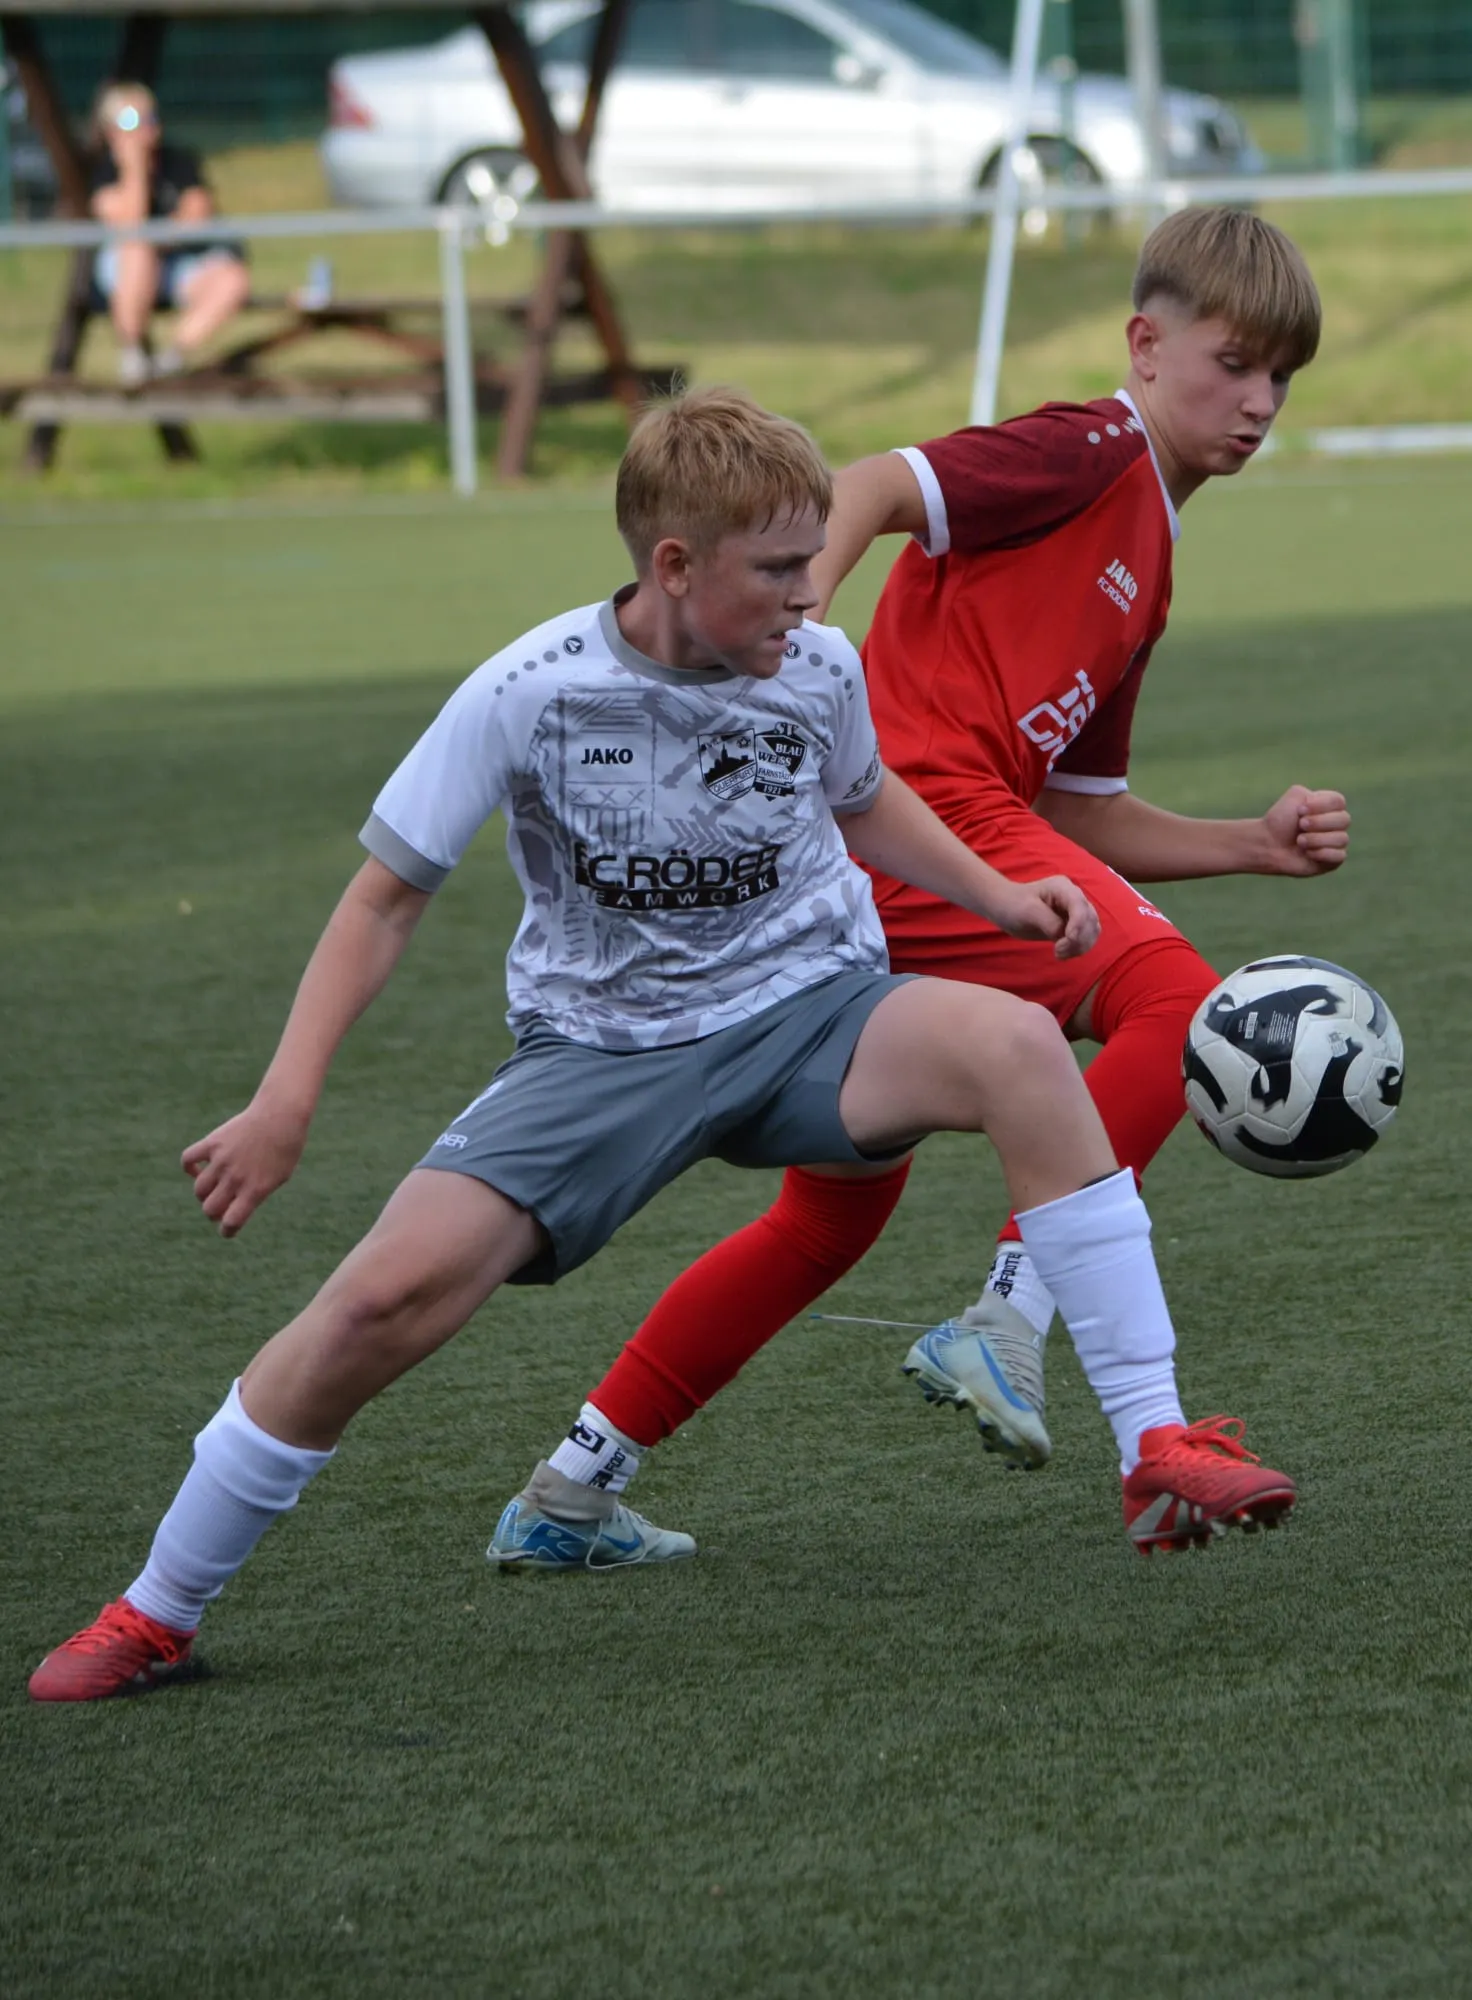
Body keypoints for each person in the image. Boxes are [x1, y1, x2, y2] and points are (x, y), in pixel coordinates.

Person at [29, 387, 1291, 1704]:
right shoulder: (529, 690)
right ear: (675, 565)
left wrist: (995, 896)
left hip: (813, 1009)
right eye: (779, 568)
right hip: (601, 1053)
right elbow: (382, 902)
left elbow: (864, 803)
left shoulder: (818, 666)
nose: (812, 591)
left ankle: (1154, 1443)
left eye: (813, 559)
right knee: (377, 1305)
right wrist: (285, 1101)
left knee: (1019, 1046)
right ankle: (153, 1610)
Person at [501, 207, 1347, 1516]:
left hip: (916, 851)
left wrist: (1248, 844)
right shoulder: (1088, 449)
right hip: (913, 810)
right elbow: (879, 485)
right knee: (1179, 1005)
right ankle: (1008, 1315)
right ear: (1144, 345)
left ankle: (574, 1482)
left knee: (830, 1217)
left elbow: (1075, 813)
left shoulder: (1150, 561)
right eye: (1232, 363)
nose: (1257, 402)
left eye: (1279, 377)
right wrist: (796, 629)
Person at [89, 82, 250, 387]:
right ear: (111, 131)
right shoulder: (104, 172)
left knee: (232, 278)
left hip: (177, 264)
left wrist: (159, 237)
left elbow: (197, 214)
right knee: (137, 251)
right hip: (125, 269)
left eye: (150, 117)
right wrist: (135, 169)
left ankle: (170, 359)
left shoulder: (178, 161)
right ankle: (133, 354)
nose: (146, 127)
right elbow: (131, 222)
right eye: (131, 120)